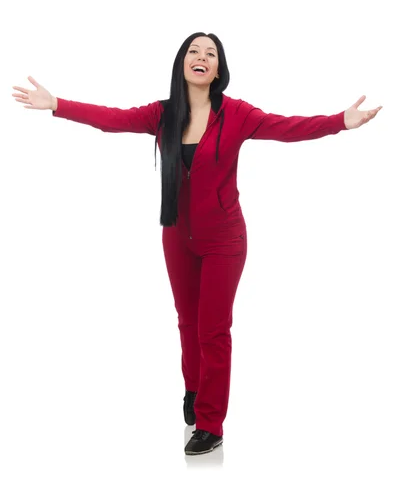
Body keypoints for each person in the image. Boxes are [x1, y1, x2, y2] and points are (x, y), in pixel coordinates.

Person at [12, 32, 382, 456]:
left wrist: (339, 122)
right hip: (176, 236)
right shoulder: (163, 115)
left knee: (213, 330)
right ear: (182, 63)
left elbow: (287, 128)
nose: (201, 58)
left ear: (218, 69)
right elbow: (110, 118)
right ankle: (193, 389)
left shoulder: (237, 114)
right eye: (194, 52)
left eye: (210, 54)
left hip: (224, 240)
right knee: (187, 323)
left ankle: (210, 422)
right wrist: (58, 105)